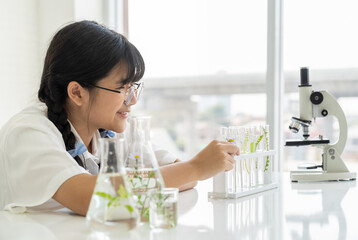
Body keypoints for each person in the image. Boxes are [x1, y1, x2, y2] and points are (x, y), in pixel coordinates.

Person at [0, 20, 239, 216]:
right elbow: (90, 198)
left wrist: (183, 172)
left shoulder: (109, 133)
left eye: (133, 87)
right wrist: (196, 166)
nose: (132, 100)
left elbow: (179, 174)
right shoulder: (29, 132)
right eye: (122, 88)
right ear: (77, 92)